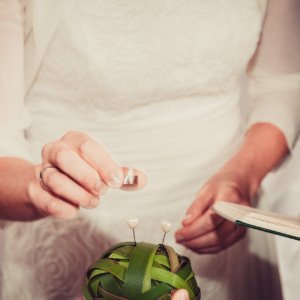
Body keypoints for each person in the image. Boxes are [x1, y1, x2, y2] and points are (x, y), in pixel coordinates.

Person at [0, 0, 299, 299]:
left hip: (221, 228)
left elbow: (283, 83)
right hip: (62, 236)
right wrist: (36, 186)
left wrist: (242, 176)